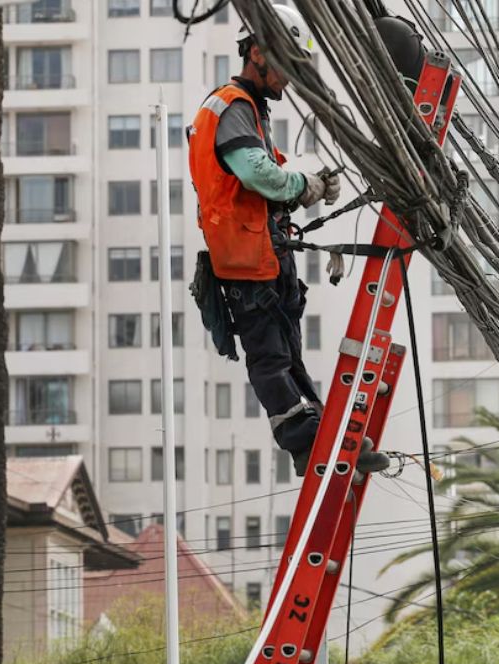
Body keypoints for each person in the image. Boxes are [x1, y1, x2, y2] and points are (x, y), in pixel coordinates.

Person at [187, 3, 390, 476]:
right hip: (246, 263)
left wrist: (309, 181)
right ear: (256, 52)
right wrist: (303, 186)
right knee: (271, 356)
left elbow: (272, 179)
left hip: (264, 257)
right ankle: (304, 439)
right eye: (284, 63)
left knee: (287, 353)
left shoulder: (251, 113)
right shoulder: (231, 106)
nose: (287, 79)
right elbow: (262, 177)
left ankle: (319, 436)